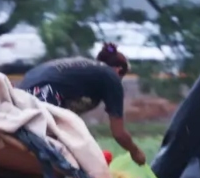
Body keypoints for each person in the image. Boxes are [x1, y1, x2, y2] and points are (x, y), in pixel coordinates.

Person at [17, 42, 147, 165]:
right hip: (43, 97)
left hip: (20, 94)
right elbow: (118, 133)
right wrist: (136, 152)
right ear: (119, 70)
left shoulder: (86, 70)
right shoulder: (111, 77)